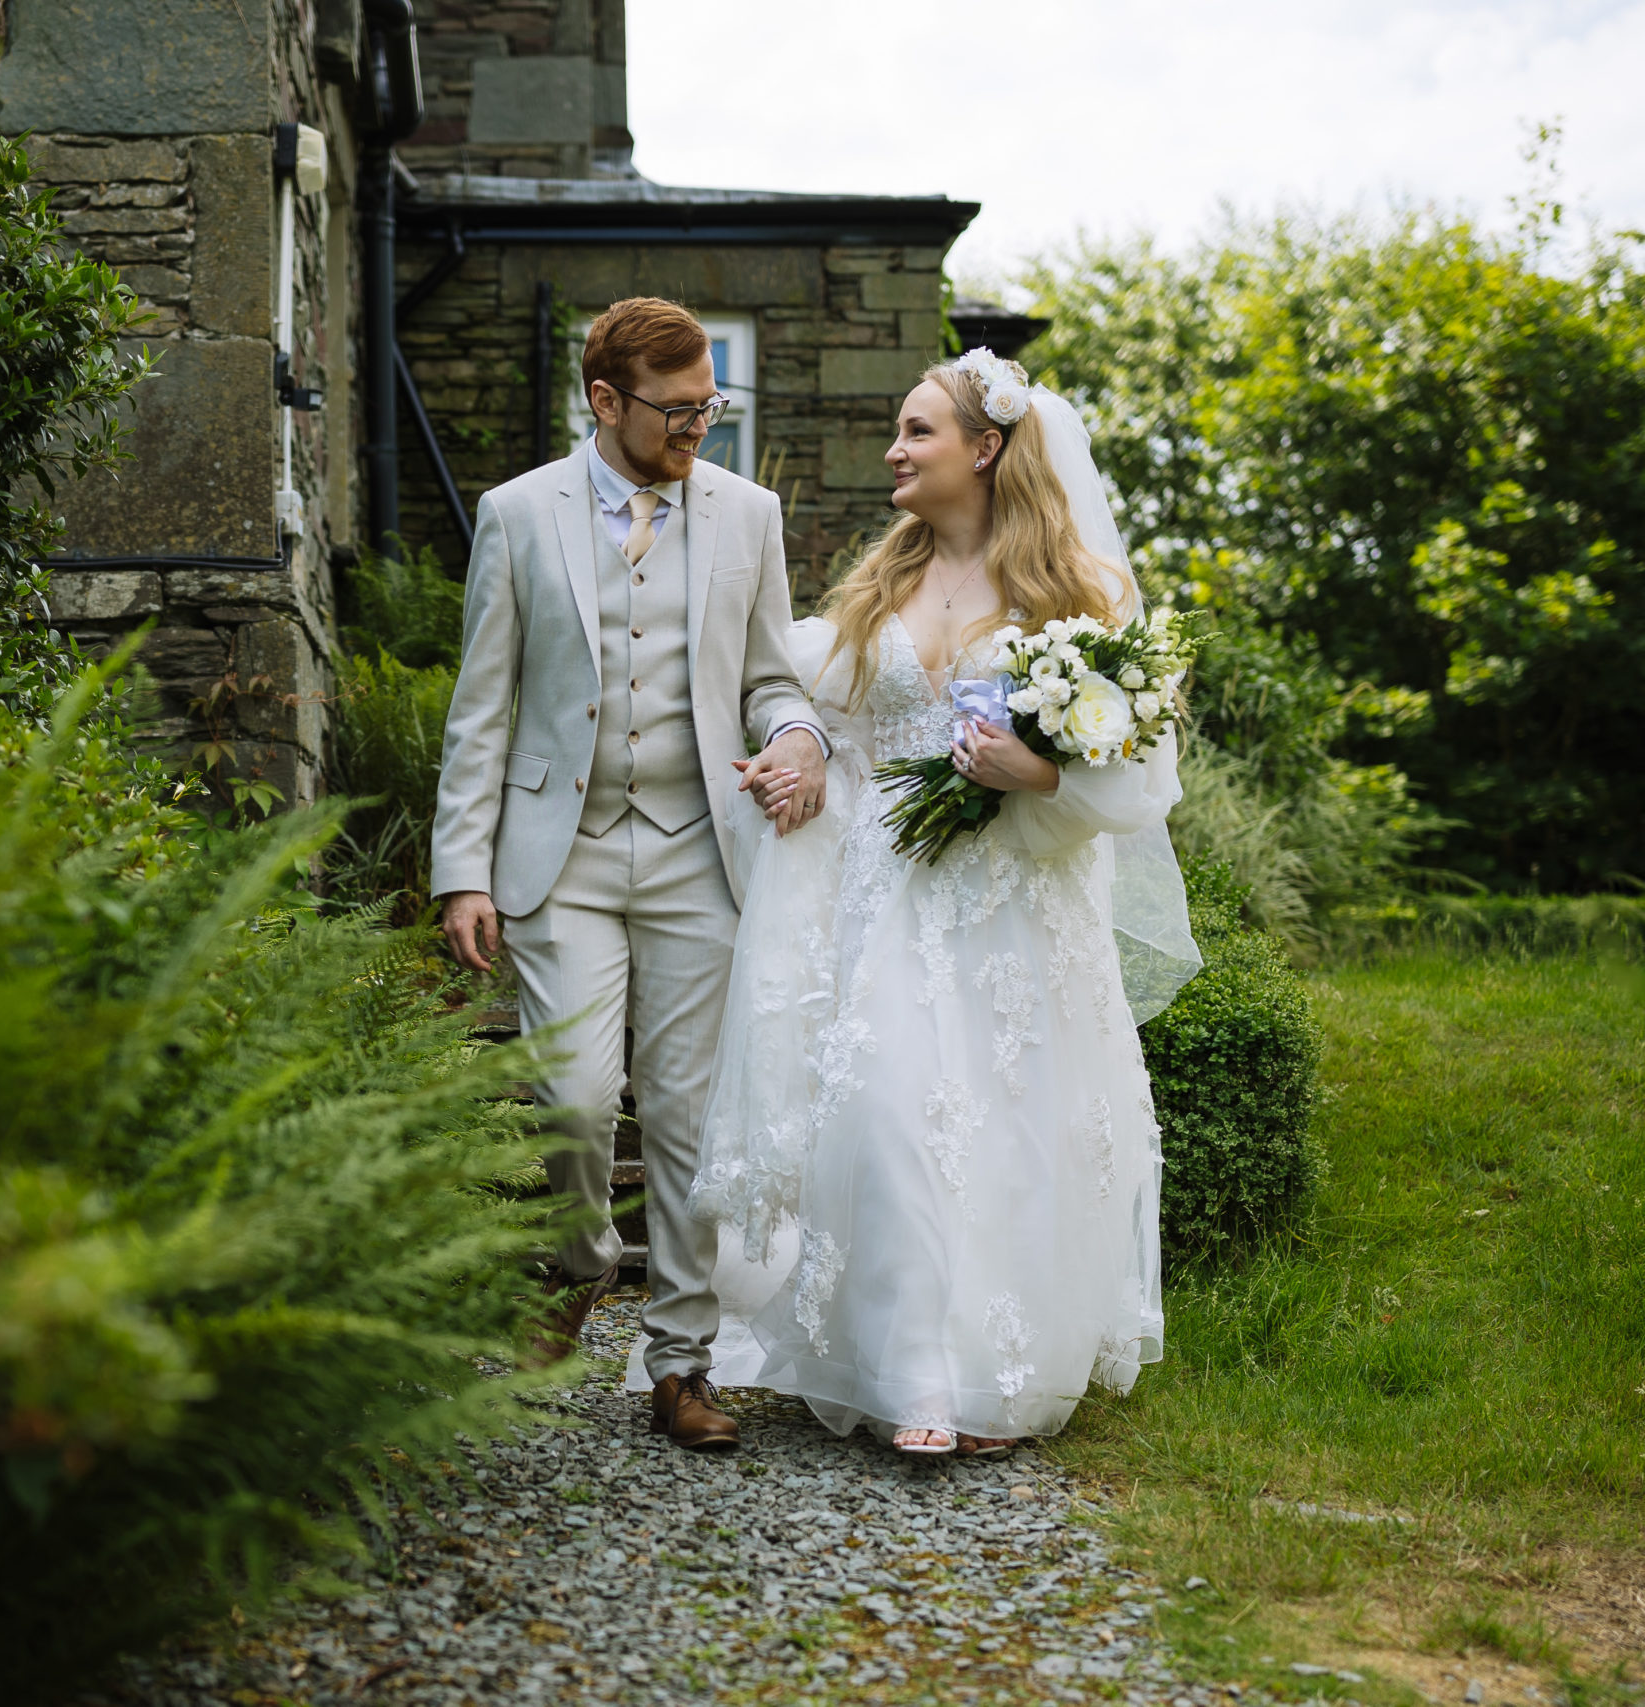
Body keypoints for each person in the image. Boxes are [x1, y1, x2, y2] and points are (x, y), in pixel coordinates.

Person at [685, 350, 1198, 1455]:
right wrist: (801, 753)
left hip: (1018, 902)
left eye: (917, 431)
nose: (894, 451)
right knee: (885, 1113)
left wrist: (1045, 776)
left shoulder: (1085, 598)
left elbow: (1141, 777)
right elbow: (820, 709)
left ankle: (979, 1377)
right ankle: (910, 1373)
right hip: (888, 895)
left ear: (986, 447)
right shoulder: (880, 585)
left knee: (1008, 1132)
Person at [430, 297, 831, 1451]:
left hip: (699, 851)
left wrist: (796, 739)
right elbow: (481, 709)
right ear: (604, 402)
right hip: (565, 853)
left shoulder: (748, 518)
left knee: (691, 1120)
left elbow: (768, 680)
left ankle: (680, 1364)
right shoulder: (516, 515)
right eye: (676, 408)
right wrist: (463, 870)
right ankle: (581, 1258)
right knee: (568, 1097)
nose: (698, 425)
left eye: (711, 403)